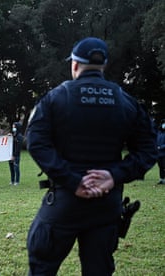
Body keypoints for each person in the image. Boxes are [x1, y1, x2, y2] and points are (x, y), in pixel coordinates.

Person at [26, 37, 157, 275]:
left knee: (42, 267)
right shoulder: (127, 102)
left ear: (74, 65)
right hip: (106, 205)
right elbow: (149, 150)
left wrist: (73, 181)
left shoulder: (55, 98)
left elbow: (36, 143)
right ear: (103, 66)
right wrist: (114, 176)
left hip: (64, 202)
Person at [157, 119, 165, 184]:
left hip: (164, 153)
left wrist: (161, 147)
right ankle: (161, 179)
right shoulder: (159, 133)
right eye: (163, 123)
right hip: (159, 153)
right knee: (160, 166)